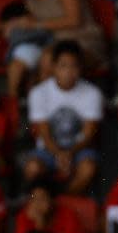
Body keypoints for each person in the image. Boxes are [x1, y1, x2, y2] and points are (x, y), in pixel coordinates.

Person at [0, 0, 105, 98]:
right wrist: (4, 27)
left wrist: (36, 24)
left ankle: (51, 109)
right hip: (54, 44)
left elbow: (74, 20)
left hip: (84, 41)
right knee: (30, 62)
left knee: (48, 59)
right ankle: (33, 111)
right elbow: (28, 24)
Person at [25, 40, 103, 195]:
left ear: (81, 67)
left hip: (80, 149)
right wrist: (59, 154)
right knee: (32, 168)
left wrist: (69, 153)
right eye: (63, 66)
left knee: (88, 169)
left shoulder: (92, 93)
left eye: (74, 66)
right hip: (48, 148)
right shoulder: (38, 93)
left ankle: (64, 202)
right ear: (53, 67)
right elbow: (44, 133)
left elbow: (89, 134)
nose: (69, 71)